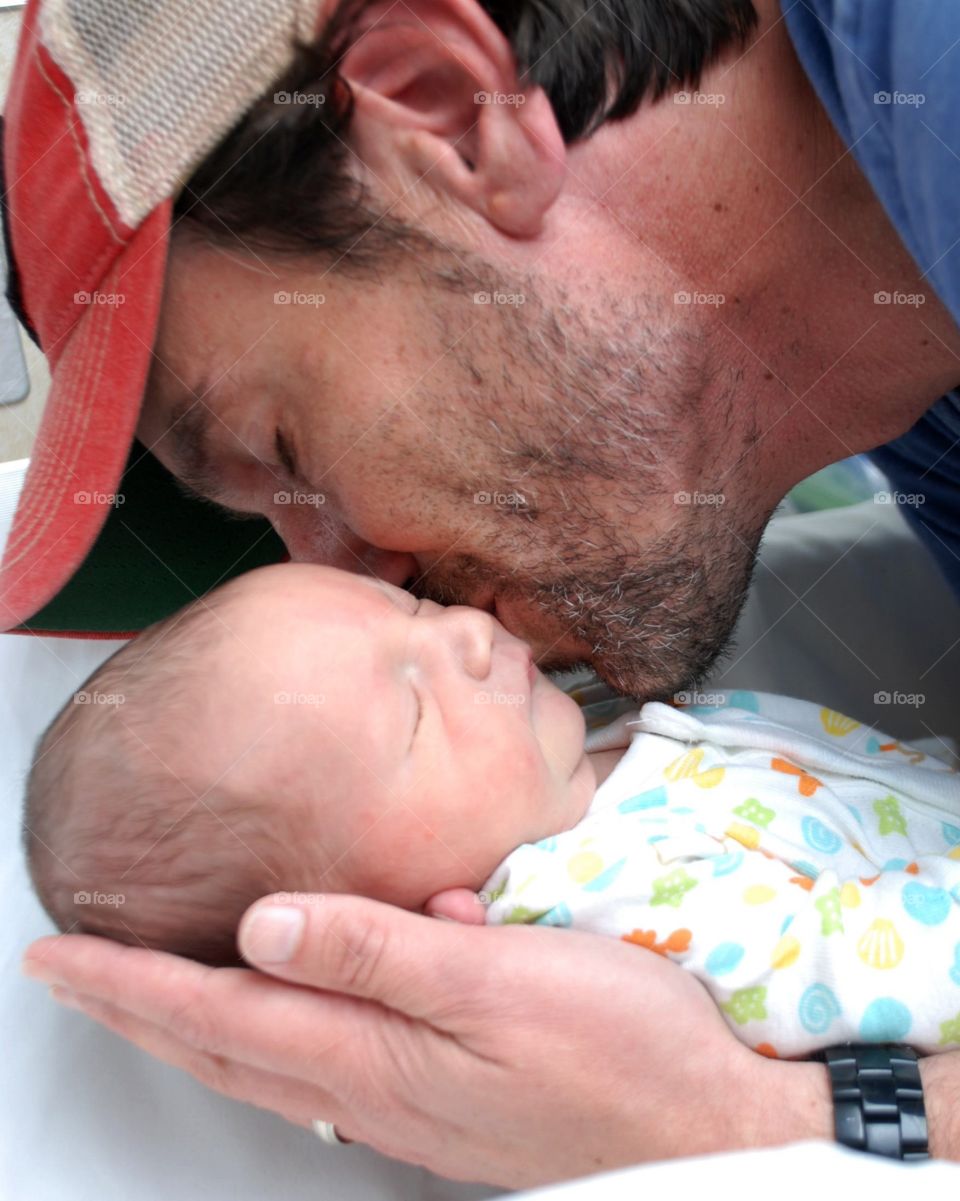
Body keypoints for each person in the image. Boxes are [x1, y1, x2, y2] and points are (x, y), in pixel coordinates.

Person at [8, 0, 960, 1181]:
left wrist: (751, 1118)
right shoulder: (922, 413)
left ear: (453, 114)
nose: (349, 578)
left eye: (285, 450)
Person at [25, 563, 960, 1068]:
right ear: (375, 924)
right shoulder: (602, 905)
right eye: (414, 710)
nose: (464, 632)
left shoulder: (576, 748)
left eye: (405, 607)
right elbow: (868, 973)